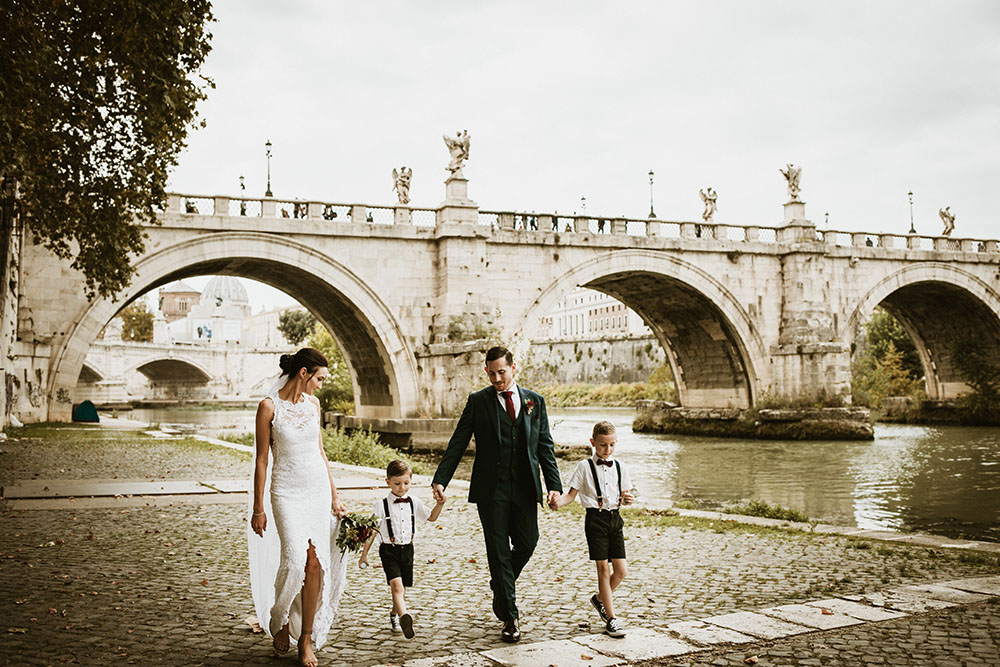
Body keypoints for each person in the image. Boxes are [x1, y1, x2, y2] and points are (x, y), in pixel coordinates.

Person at [432, 346, 562, 643]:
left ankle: (500, 586)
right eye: (491, 373)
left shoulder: (535, 401)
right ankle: (510, 616)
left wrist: (553, 484)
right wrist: (442, 479)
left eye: (501, 372)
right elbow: (458, 442)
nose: (496, 379)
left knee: (528, 542)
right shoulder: (478, 402)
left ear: (513, 368)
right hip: (491, 490)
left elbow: (545, 447)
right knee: (498, 551)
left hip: (526, 486)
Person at [249, 348, 348, 667]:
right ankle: (278, 620)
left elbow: (320, 452)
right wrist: (258, 507)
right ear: (303, 373)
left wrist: (334, 495)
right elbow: (262, 460)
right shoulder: (268, 407)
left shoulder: (314, 405)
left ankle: (305, 638)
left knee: (315, 564)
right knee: (294, 562)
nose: (321, 385)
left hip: (316, 490)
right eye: (319, 378)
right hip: (286, 492)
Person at [554, 421, 634, 638]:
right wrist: (557, 502)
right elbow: (571, 495)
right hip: (595, 520)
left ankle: (599, 599)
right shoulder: (583, 467)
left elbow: (626, 495)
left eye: (611, 445)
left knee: (621, 571)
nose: (606, 450)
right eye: (602, 445)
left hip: (615, 519)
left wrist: (628, 499)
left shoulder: (620, 467)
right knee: (603, 569)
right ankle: (611, 619)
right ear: (592, 443)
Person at [359, 460, 445, 639]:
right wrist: (364, 554)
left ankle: (394, 614)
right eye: (397, 483)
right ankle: (404, 616)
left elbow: (431, 518)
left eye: (406, 483)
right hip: (388, 550)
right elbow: (372, 532)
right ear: (388, 482)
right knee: (397, 586)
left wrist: (440, 504)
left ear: (411, 481)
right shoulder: (381, 505)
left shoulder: (414, 501)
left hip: (408, 549)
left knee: (401, 589)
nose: (402, 487)